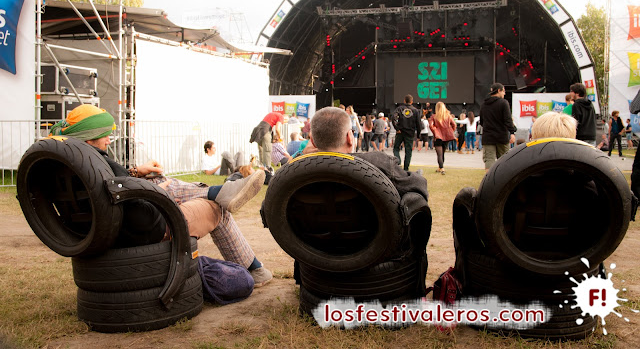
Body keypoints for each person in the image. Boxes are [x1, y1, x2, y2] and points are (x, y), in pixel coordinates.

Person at [51, 105, 273, 286]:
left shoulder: (70, 167)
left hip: (100, 234)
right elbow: (143, 216)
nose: (109, 140)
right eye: (104, 135)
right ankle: (254, 269)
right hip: (150, 229)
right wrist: (161, 194)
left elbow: (110, 189)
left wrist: (137, 173)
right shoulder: (102, 164)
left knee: (158, 180)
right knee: (217, 209)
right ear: (90, 139)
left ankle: (222, 190)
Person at [301, 107, 428, 203]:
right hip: (369, 236)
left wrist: (302, 158)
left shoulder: (298, 171)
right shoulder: (379, 163)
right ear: (350, 137)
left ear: (312, 141)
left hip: (310, 237)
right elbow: (419, 187)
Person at [478, 83, 517, 172]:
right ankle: (503, 181)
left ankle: (489, 182)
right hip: (501, 136)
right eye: (503, 91)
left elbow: (482, 122)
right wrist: (512, 132)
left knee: (489, 160)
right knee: (504, 160)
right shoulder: (504, 103)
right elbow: (508, 120)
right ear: (499, 90)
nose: (504, 93)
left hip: (488, 137)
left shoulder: (484, 104)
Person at [392, 94, 422, 171]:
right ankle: (406, 168)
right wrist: (418, 135)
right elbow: (418, 124)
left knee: (396, 148)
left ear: (404, 100)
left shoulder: (399, 109)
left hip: (400, 132)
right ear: (412, 101)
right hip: (410, 133)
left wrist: (397, 128)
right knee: (408, 151)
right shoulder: (415, 110)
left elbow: (393, 118)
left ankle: (398, 162)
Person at [428, 102, 456, 175]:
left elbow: (431, 126)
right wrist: (450, 131)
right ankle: (441, 167)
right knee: (443, 153)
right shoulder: (448, 116)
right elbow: (454, 125)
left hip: (438, 137)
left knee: (439, 154)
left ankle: (442, 167)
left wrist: (435, 131)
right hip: (446, 137)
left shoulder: (433, 117)